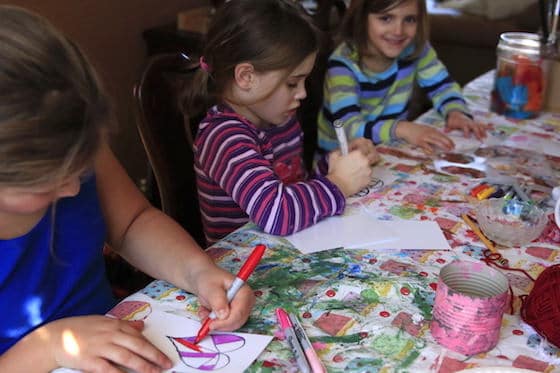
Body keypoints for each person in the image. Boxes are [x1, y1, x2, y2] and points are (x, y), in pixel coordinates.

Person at [0, 6, 254, 373]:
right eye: (51, 180)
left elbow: (132, 222)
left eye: (83, 166)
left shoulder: (68, 136)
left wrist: (198, 271)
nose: (75, 187)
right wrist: (50, 347)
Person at [184, 0, 379, 246]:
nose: (302, 94)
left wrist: (335, 164)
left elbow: (296, 187)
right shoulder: (224, 136)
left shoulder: (280, 119)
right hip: (240, 266)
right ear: (246, 77)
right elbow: (276, 213)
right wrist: (338, 183)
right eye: (292, 83)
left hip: (293, 248)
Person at [317, 0, 487, 155]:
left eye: (410, 19)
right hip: (340, 165)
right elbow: (350, 128)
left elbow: (442, 86)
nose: (399, 31)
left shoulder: (415, 50)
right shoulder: (342, 66)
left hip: (389, 151)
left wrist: (455, 111)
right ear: (361, 19)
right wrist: (402, 128)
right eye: (386, 18)